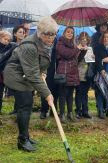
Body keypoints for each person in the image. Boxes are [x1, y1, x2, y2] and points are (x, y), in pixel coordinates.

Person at [3, 16, 58, 152]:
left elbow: (44, 60)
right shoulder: (29, 46)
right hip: (16, 76)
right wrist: (47, 94)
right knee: (25, 106)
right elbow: (32, 74)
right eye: (48, 35)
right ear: (39, 33)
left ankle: (26, 136)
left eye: (53, 34)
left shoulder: (45, 42)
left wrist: (43, 71)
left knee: (27, 105)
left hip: (26, 74)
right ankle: (22, 141)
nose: (51, 38)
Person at [56, 26, 80, 123]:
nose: (70, 34)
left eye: (72, 32)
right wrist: (77, 49)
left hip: (73, 71)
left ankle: (70, 113)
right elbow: (67, 54)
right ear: (64, 33)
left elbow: (77, 58)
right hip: (64, 71)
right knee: (62, 94)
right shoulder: (60, 43)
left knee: (70, 94)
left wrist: (84, 50)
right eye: (68, 32)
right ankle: (62, 114)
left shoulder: (74, 44)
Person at [94, 31, 108, 119]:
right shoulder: (98, 47)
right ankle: (100, 110)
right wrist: (101, 69)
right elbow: (97, 60)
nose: (106, 39)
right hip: (101, 73)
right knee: (100, 92)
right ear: (102, 38)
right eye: (105, 37)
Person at [8, 25, 26, 115]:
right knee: (16, 91)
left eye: (23, 32)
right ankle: (16, 109)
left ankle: (20, 110)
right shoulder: (11, 45)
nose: (22, 34)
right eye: (20, 32)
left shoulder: (27, 45)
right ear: (15, 34)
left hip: (23, 71)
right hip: (14, 70)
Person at [75, 32, 94, 119]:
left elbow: (92, 61)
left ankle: (85, 110)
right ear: (79, 40)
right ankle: (78, 111)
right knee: (79, 92)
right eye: (82, 39)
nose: (84, 40)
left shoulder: (90, 49)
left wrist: (93, 57)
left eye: (86, 39)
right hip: (78, 73)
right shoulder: (76, 48)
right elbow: (76, 60)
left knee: (85, 93)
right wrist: (81, 51)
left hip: (87, 73)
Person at [40, 38, 59, 119]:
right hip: (45, 70)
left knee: (55, 91)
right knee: (45, 90)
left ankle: (53, 110)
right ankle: (44, 110)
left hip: (56, 70)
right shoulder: (42, 42)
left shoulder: (57, 41)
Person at [0, 31, 13, 114]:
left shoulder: (9, 48)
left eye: (8, 40)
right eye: (5, 39)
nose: (6, 41)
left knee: (0, 95)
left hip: (1, 76)